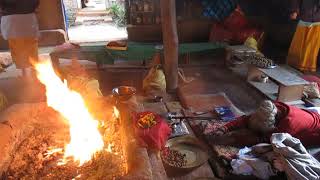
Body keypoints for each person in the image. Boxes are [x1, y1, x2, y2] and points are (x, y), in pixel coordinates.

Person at [213, 100, 320, 147]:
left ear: (272, 126)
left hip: (315, 131)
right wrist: (224, 128)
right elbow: (247, 119)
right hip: (309, 113)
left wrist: (234, 140)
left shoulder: (288, 126)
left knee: (270, 148)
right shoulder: (272, 108)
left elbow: (266, 140)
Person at [0, 0, 40, 79]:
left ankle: (25, 73)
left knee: (17, 48)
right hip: (28, 17)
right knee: (31, 47)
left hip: (11, 19)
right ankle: (34, 72)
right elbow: (36, 2)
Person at [287, 0, 320, 72]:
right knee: (298, 44)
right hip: (304, 17)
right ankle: (293, 65)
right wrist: (294, 11)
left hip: (318, 21)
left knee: (311, 47)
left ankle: (306, 68)